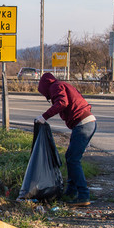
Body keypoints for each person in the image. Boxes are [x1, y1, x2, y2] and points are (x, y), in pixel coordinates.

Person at [36, 73, 97, 207]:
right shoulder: (61, 85)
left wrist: (44, 116)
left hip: (83, 124)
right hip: (86, 123)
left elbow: (62, 103)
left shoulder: (55, 87)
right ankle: (71, 191)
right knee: (70, 157)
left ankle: (83, 195)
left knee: (73, 159)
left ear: (45, 86)